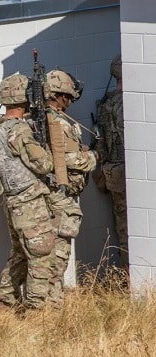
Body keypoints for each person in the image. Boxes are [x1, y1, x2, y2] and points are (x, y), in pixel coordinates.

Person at [0, 74, 55, 310]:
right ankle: (37, 309)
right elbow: (43, 164)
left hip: (13, 201)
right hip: (28, 202)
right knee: (41, 254)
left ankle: (5, 302)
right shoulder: (19, 132)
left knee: (20, 253)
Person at [43, 69, 97, 306]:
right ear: (60, 95)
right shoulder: (57, 122)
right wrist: (93, 157)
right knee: (59, 251)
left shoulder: (43, 119)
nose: (70, 101)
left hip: (51, 195)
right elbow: (66, 159)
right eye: (68, 96)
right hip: (60, 196)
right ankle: (53, 303)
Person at [94, 55, 128, 272]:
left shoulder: (105, 103)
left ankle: (128, 274)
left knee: (124, 228)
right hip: (129, 169)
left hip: (113, 172)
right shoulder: (131, 101)